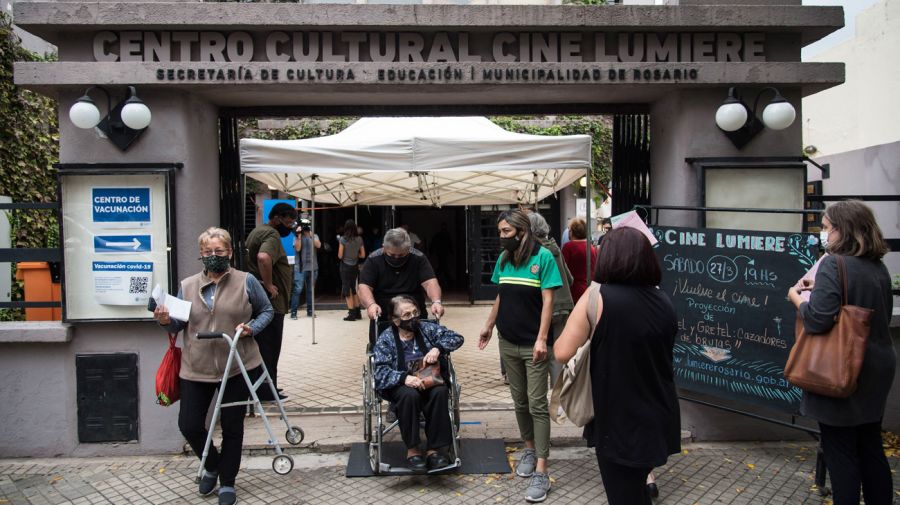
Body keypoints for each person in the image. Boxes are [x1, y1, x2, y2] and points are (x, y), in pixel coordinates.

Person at [554, 226, 680, 505]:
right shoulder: (664, 301)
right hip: (659, 412)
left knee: (623, 496)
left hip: (619, 418)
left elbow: (562, 352)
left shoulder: (597, 297)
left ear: (608, 257)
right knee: (636, 492)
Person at [153, 227, 273, 505]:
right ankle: (212, 465)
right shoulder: (186, 285)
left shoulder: (247, 281)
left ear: (230, 252)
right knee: (190, 424)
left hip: (237, 363)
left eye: (219, 251)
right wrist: (164, 322)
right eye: (208, 252)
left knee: (232, 425)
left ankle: (228, 482)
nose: (213, 256)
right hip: (197, 365)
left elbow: (267, 310)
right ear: (201, 255)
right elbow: (178, 323)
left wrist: (251, 327)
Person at [787, 200, 894, 505]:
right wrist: (818, 290)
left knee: (841, 451)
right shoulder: (878, 267)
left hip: (840, 366)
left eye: (825, 227)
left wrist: (798, 298)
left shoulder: (835, 264)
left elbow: (818, 319)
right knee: (870, 446)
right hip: (876, 365)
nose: (823, 234)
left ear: (841, 230)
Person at [478, 209, 562, 503]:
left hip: (533, 344)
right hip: (507, 342)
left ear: (522, 231)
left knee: (537, 404)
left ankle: (542, 468)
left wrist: (542, 339)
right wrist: (488, 325)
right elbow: (501, 295)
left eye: (506, 232)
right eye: (500, 231)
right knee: (520, 400)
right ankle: (529, 448)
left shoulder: (544, 258)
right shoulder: (504, 259)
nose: (501, 237)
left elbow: (549, 302)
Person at [372, 295, 464, 473]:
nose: (413, 317)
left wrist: (438, 348)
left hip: (430, 380)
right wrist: (404, 378)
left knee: (440, 391)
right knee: (409, 395)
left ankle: (435, 450)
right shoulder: (386, 339)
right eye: (407, 315)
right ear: (395, 320)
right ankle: (413, 449)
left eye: (415, 312)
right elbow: (379, 372)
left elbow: (457, 338)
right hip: (401, 385)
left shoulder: (427, 328)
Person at [245, 202, 296, 399]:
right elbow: (264, 257)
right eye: (289, 223)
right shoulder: (272, 235)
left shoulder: (258, 231)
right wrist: (269, 285)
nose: (290, 227)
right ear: (277, 218)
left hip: (261, 301)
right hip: (271, 303)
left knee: (264, 345)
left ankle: (267, 385)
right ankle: (267, 389)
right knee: (270, 347)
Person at [358, 228, 445, 337]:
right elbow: (364, 286)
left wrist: (436, 301)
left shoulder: (418, 258)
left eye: (401, 255)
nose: (396, 258)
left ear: (409, 248)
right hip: (384, 313)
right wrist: (370, 305)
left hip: (414, 312)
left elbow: (430, 282)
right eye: (392, 255)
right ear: (383, 247)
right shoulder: (373, 259)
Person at [527, 211, 574, 388]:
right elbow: (569, 280)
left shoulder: (535, 253)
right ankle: (559, 397)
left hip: (541, 308)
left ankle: (540, 394)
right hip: (563, 308)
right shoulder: (555, 249)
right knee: (559, 354)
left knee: (539, 349)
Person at [561, 217, 598, 302]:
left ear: (572, 232)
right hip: (590, 289)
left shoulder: (568, 247)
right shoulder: (591, 247)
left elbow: (562, 270)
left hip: (574, 291)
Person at [290, 219, 320, 319]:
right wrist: (299, 235)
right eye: (304, 226)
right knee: (298, 289)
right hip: (300, 268)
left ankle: (310, 311)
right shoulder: (296, 237)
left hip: (313, 267)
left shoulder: (314, 235)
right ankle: (293, 312)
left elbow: (318, 245)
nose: (306, 228)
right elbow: (298, 248)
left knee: (311, 290)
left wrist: (310, 235)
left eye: (307, 226)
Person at [338, 219, 366, 321]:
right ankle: (358, 312)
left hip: (345, 266)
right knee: (353, 288)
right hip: (355, 266)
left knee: (347, 289)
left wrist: (347, 254)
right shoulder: (359, 239)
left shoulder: (343, 239)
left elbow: (340, 255)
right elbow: (363, 255)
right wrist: (355, 255)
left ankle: (351, 314)